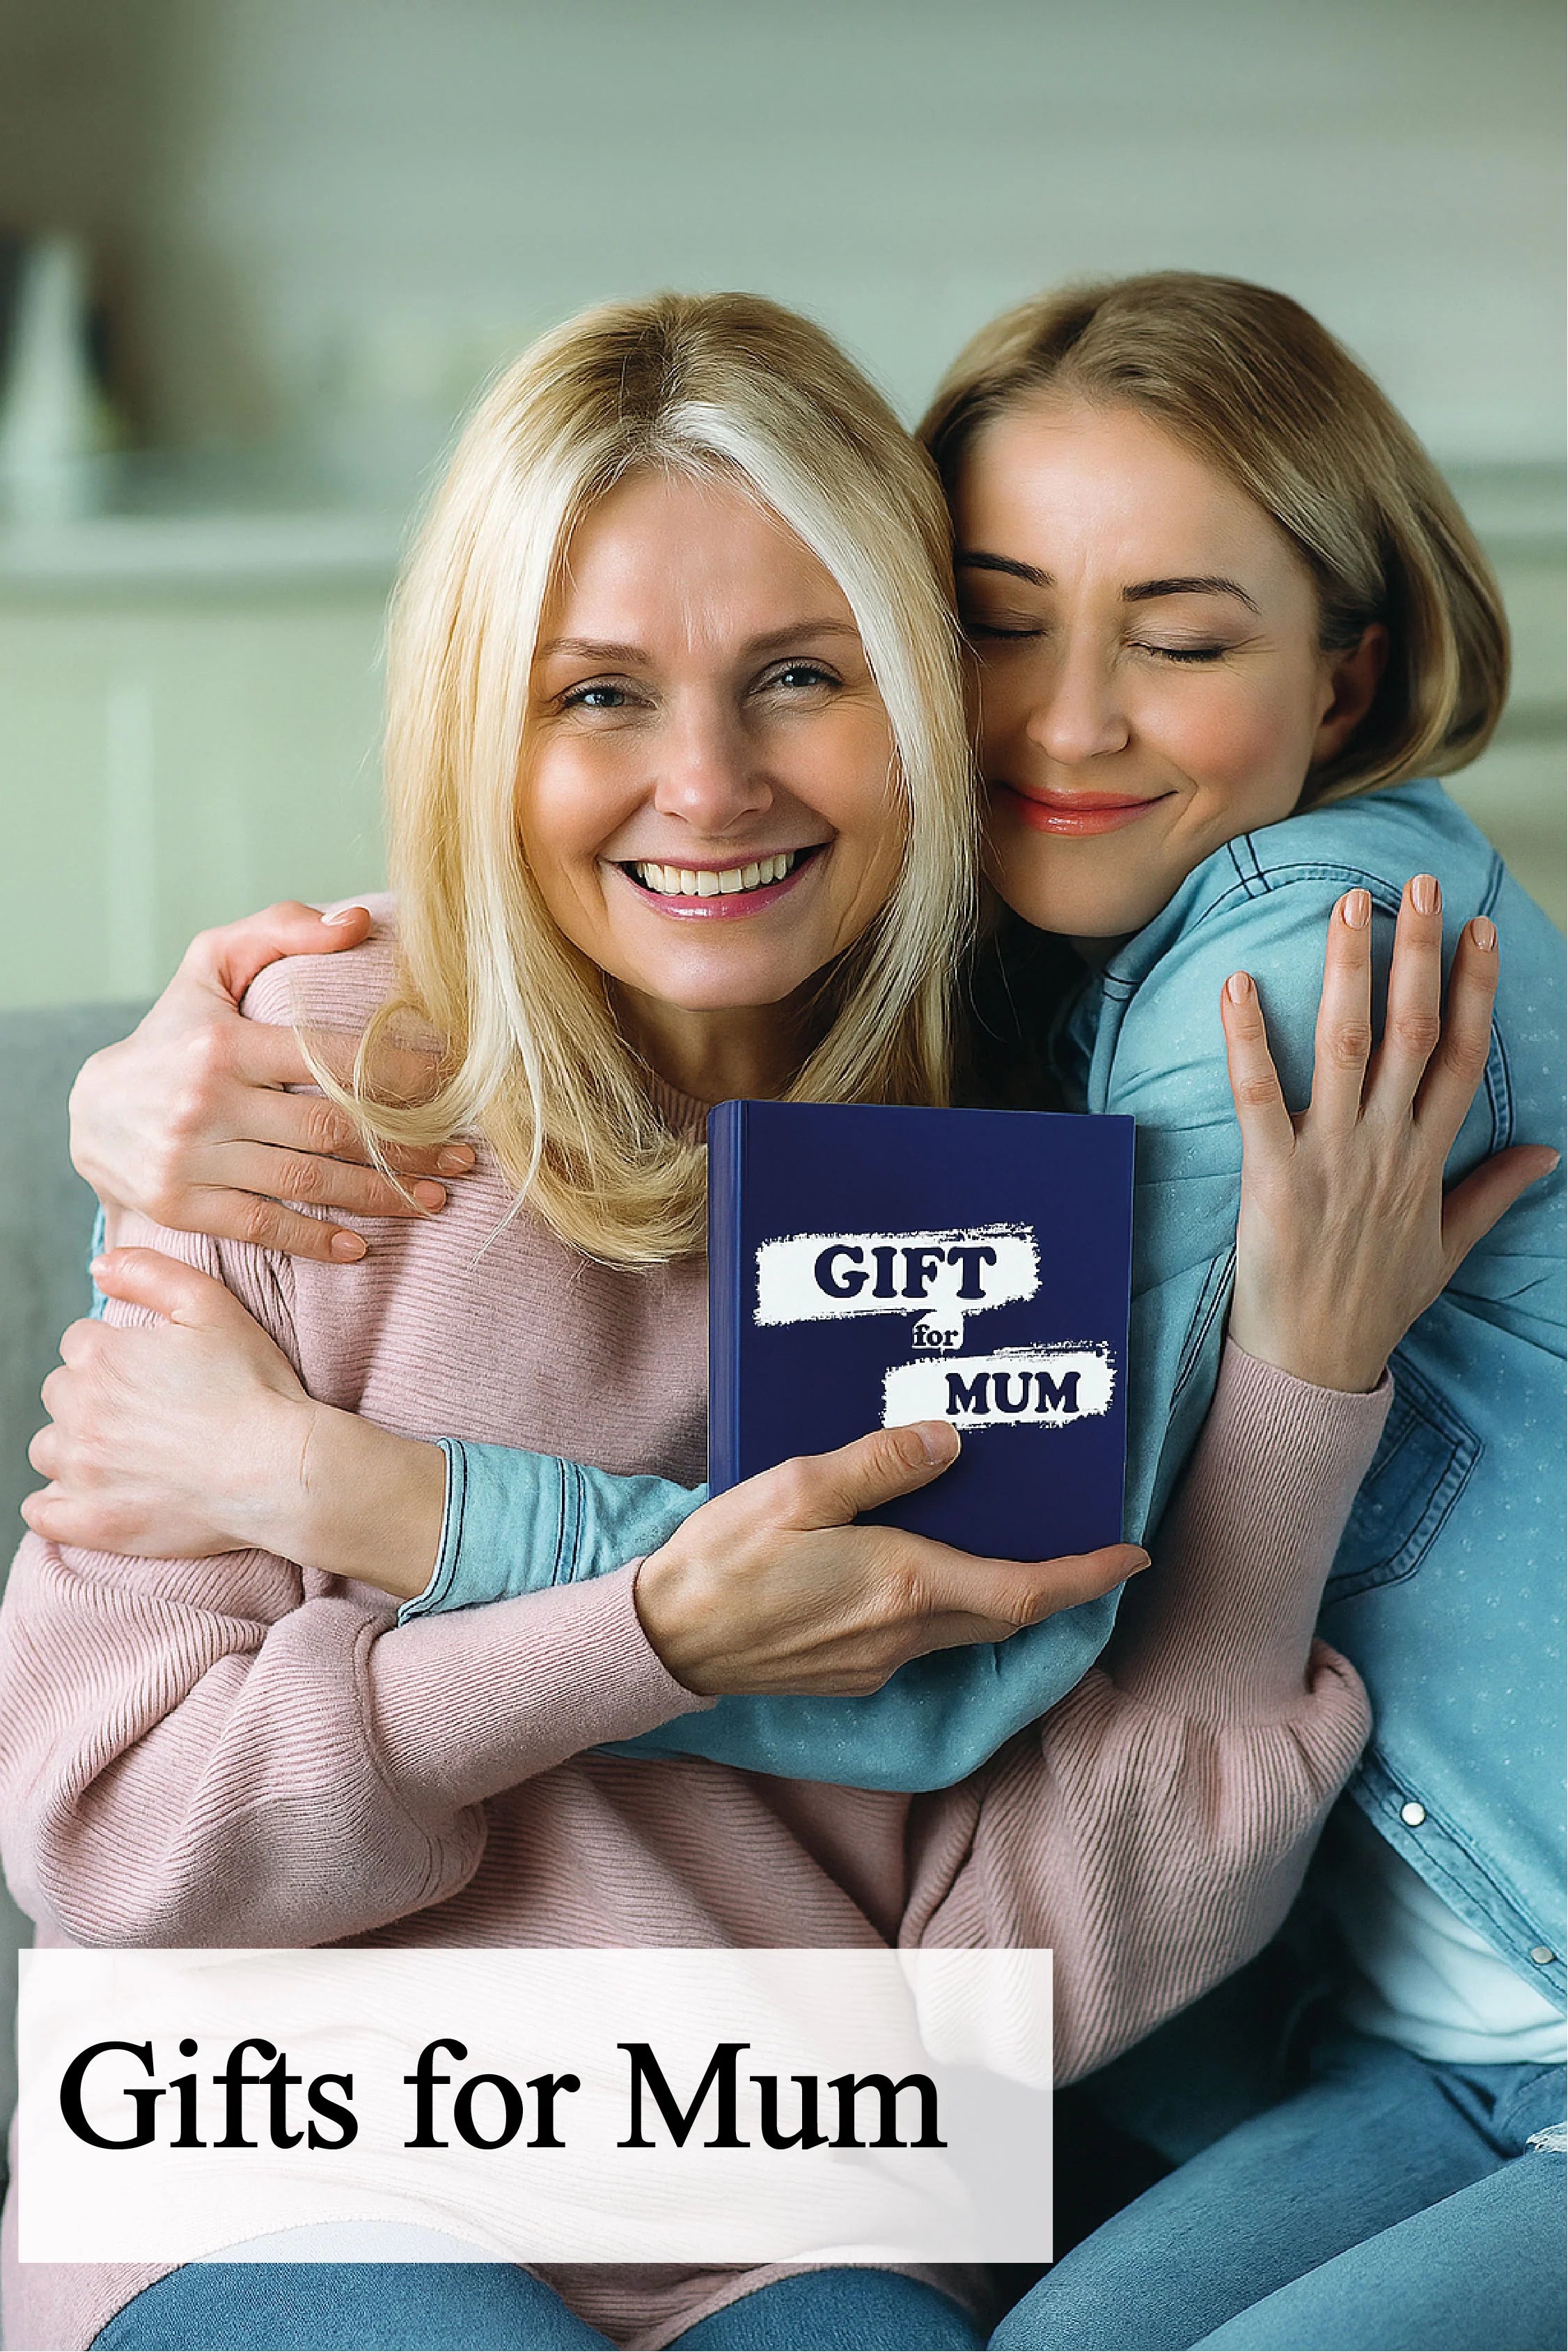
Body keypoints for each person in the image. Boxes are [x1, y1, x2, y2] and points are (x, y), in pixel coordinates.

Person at [60, 275, 1565, 2349]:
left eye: (800, 673)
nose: (707, 783)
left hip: (804, 2182)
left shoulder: (1048, 1126)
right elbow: (103, 1819)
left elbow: (1006, 1916)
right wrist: (114, 1087)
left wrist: (407, 1520)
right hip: (285, 2149)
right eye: (595, 693)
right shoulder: (301, 1097)